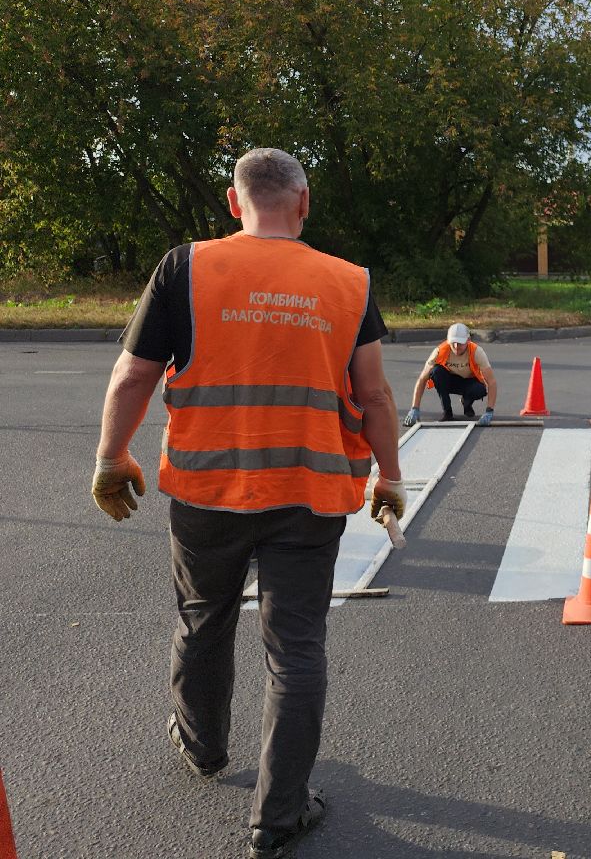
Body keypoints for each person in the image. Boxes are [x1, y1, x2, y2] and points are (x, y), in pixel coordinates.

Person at [90, 148, 405, 859]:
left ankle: (202, 750)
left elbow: (133, 374)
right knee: (296, 651)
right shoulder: (347, 282)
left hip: (207, 491)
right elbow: (375, 395)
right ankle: (278, 816)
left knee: (203, 620)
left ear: (235, 204)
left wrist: (112, 457)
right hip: (310, 493)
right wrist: (388, 476)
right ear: (305, 201)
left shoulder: (187, 267)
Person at [402, 322, 498, 426]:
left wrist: (489, 412)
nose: (456, 347)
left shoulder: (477, 352)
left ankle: (466, 401)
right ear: (448, 341)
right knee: (436, 372)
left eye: (460, 343)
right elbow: (422, 379)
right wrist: (414, 409)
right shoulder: (440, 351)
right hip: (449, 381)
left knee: (480, 390)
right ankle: (447, 412)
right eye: (453, 343)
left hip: (470, 382)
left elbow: (492, 382)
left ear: (468, 340)